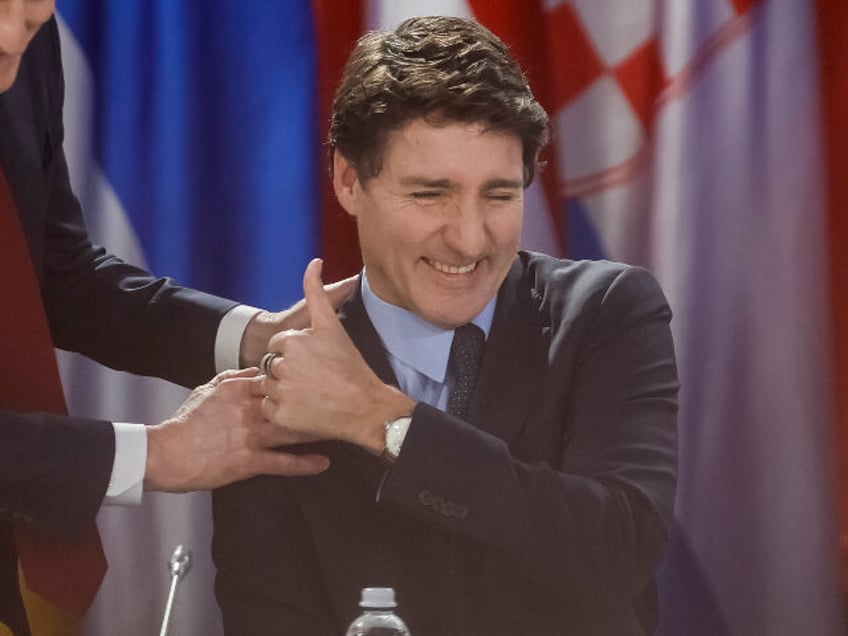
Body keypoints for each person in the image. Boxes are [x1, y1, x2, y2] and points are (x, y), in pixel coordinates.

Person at [212, 15, 679, 636]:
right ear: (349, 180)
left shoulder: (606, 313)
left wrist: (378, 418)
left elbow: (619, 550)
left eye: (498, 195)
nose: (468, 238)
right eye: (430, 194)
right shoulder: (283, 390)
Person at [0, 1, 352, 633]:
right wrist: (152, 455)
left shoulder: (28, 45)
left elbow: (52, 272)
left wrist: (252, 337)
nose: (15, 29)